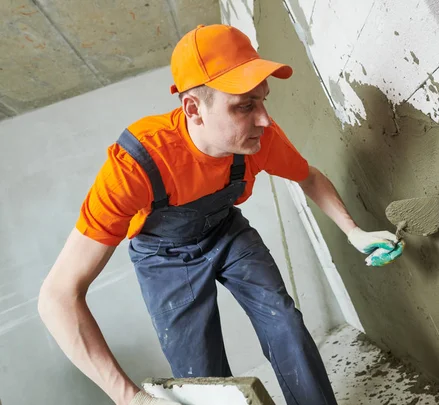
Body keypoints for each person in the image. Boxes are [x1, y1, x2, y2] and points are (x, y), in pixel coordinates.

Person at [38, 24, 403, 405]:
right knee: (201, 373)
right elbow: (57, 297)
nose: (264, 119)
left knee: (286, 324)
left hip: (226, 233)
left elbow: (309, 176)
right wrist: (129, 398)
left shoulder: (258, 139)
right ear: (193, 109)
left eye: (263, 101)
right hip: (164, 259)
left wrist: (353, 231)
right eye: (245, 105)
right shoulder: (137, 165)